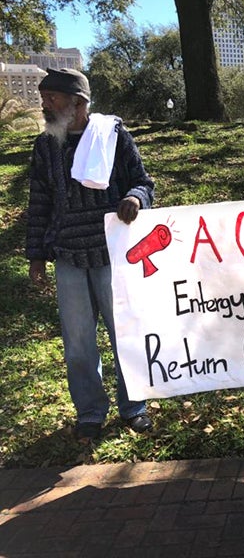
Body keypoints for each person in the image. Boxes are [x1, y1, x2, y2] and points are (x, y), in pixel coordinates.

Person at [26, 68, 156, 441]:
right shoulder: (45, 146)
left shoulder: (114, 137)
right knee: (79, 343)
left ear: (78, 102)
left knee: (124, 335)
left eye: (52, 97)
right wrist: (36, 255)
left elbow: (143, 182)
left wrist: (135, 199)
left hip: (112, 254)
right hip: (68, 255)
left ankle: (134, 407)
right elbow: (39, 203)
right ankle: (90, 413)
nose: (45, 104)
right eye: (43, 97)